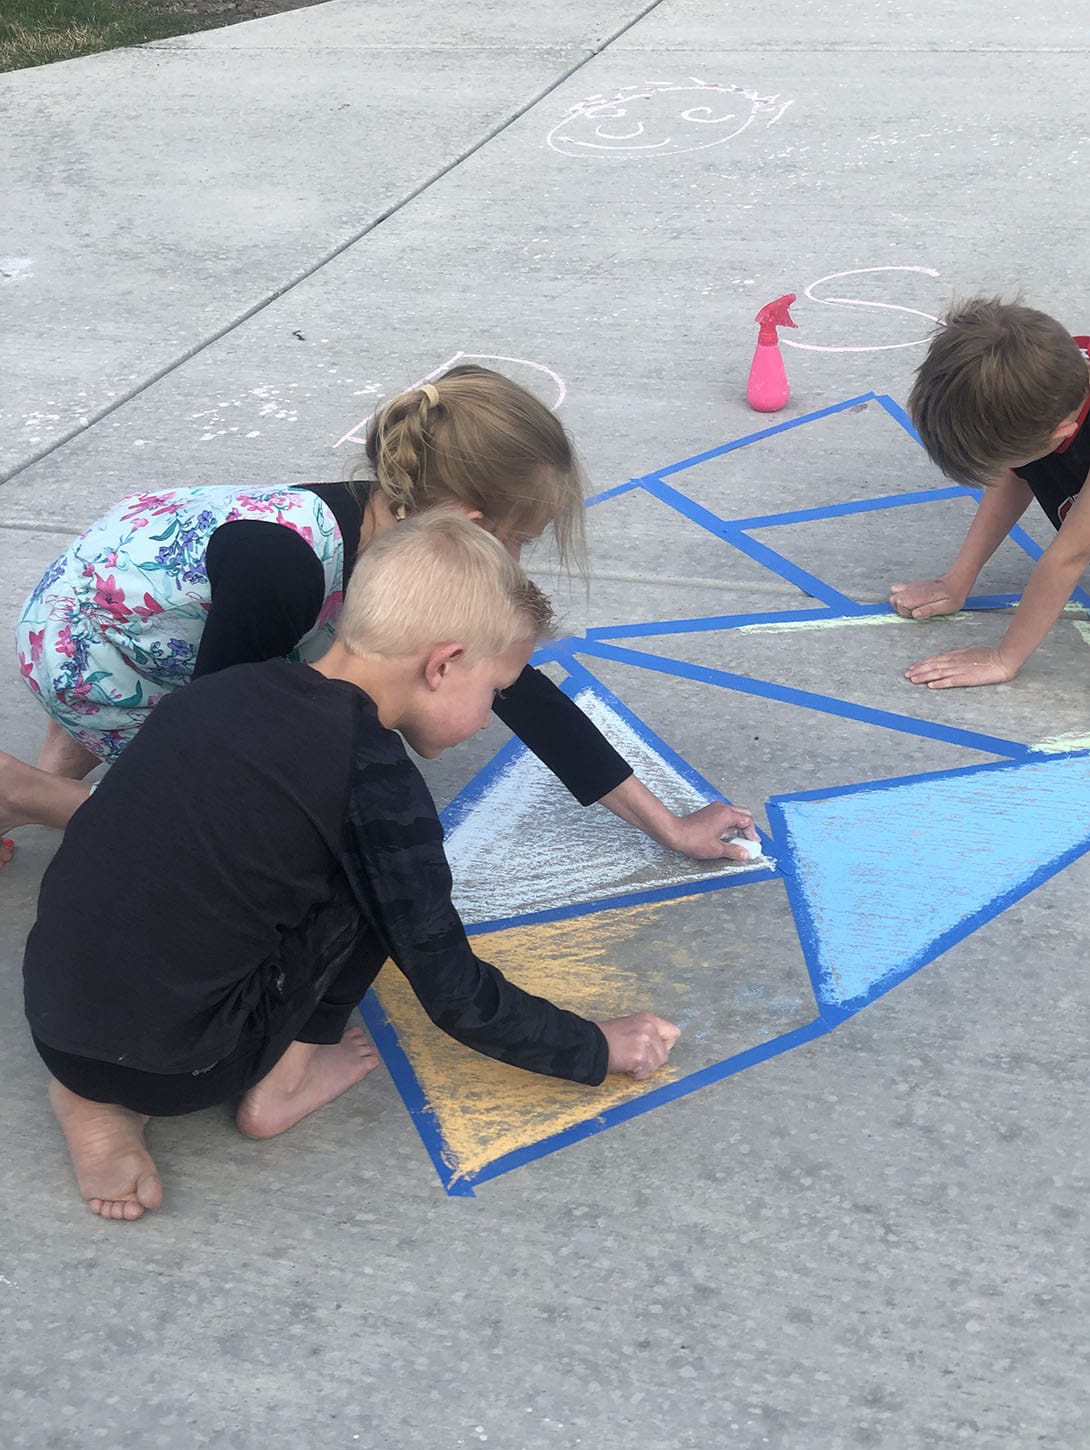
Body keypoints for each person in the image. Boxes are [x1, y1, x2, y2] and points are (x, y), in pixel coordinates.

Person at [24, 511, 683, 1222]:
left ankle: (93, 1099)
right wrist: (593, 1047)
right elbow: (453, 992)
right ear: (442, 664)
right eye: (495, 689)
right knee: (388, 877)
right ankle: (282, 1082)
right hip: (187, 1066)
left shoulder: (224, 688)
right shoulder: (372, 781)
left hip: (56, 1016)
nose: (491, 715)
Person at [3, 365, 755, 864]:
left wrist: (671, 827)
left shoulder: (391, 523)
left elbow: (517, 685)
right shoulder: (287, 567)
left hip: (118, 607)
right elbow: (210, 747)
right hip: (86, 641)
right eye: (520, 541)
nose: (518, 564)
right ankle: (29, 793)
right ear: (468, 518)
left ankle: (64, 759)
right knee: (223, 821)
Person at [890, 299, 1090, 756]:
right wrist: (958, 580)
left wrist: (1004, 657)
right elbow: (1014, 477)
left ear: (1060, 432)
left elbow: (1069, 556)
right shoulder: (1038, 388)